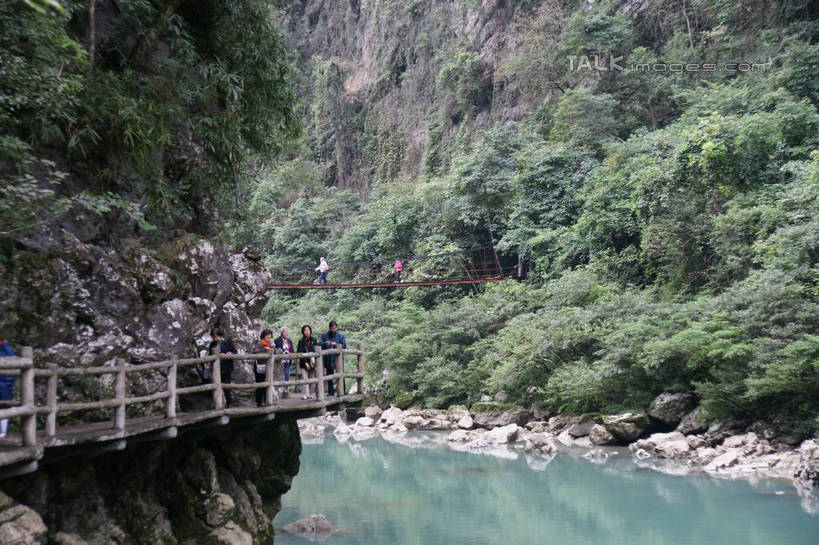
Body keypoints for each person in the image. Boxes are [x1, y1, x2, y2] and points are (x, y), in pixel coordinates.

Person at [208, 328, 237, 408]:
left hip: (226, 367)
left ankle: (229, 403)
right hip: (216, 369)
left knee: (227, 386)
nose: (215, 338)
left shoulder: (228, 342)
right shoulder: (212, 344)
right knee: (216, 386)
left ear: (220, 335)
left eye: (216, 336)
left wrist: (230, 353)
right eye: (214, 337)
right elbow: (210, 355)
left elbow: (235, 351)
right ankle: (218, 405)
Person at [319, 320, 346, 396]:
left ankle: (342, 390)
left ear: (337, 328)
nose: (333, 330)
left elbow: (344, 345)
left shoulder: (341, 336)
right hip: (328, 358)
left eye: (335, 328)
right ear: (329, 328)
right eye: (332, 328)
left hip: (338, 359)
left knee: (341, 373)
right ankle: (331, 392)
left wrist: (337, 344)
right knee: (329, 374)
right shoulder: (324, 336)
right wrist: (325, 343)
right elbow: (319, 344)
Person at [251, 329, 274, 407]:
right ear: (263, 336)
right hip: (259, 366)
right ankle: (259, 402)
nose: (268, 338)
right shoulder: (260, 343)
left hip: (268, 367)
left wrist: (272, 347)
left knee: (267, 384)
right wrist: (264, 349)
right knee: (260, 384)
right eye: (267, 336)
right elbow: (254, 352)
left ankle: (266, 400)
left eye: (270, 336)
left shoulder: (270, 344)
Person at [296, 325, 318, 399]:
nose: (307, 332)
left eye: (308, 330)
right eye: (305, 330)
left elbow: (316, 351)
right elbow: (300, 352)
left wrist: (312, 362)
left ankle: (311, 394)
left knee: (312, 379)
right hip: (303, 363)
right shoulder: (301, 341)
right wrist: (305, 363)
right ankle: (306, 394)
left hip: (312, 362)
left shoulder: (314, 340)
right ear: (303, 332)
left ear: (310, 331)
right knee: (305, 379)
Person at [0, 333, 15, 438]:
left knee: (4, 406)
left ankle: (3, 432)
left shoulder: (6, 349)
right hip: (4, 382)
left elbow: (11, 370)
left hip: (4, 383)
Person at [274, 327, 294, 397]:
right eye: (284, 332)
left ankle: (286, 390)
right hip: (280, 362)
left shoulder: (289, 341)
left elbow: (292, 350)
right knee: (280, 376)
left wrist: (292, 358)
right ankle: (279, 391)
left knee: (287, 375)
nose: (286, 333)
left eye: (287, 332)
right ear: (282, 333)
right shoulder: (277, 340)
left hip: (288, 361)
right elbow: (275, 350)